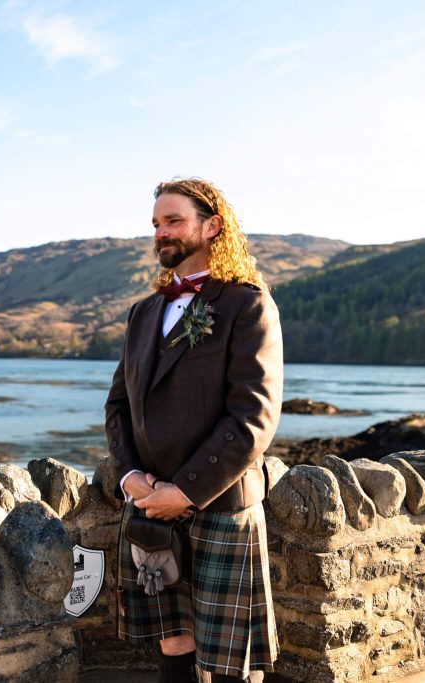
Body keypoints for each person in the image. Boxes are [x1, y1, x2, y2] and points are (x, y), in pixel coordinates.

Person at [104, 178, 283, 683]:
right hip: (150, 508)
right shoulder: (143, 313)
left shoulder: (246, 305)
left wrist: (184, 491)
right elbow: (118, 405)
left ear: (212, 227)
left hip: (219, 504)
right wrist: (130, 477)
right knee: (172, 647)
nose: (162, 233)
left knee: (232, 664)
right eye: (156, 224)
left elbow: (254, 417)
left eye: (174, 221)